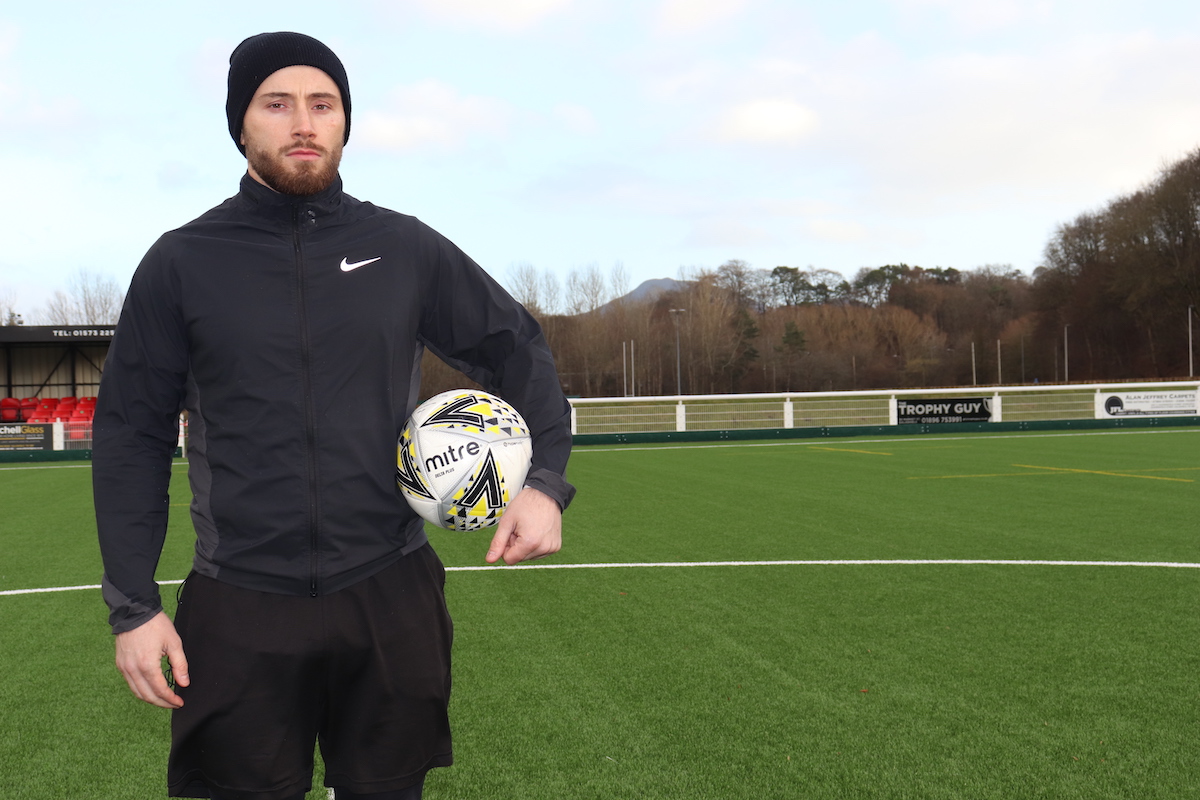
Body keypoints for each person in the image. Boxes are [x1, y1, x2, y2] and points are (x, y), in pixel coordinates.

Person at [93, 31, 575, 800]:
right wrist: (133, 608)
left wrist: (545, 481)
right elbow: (129, 437)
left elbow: (515, 346)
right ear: (240, 125)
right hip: (239, 601)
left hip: (389, 592)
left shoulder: (403, 247)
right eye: (276, 104)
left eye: (324, 104)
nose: (304, 123)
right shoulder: (182, 262)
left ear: (346, 123)